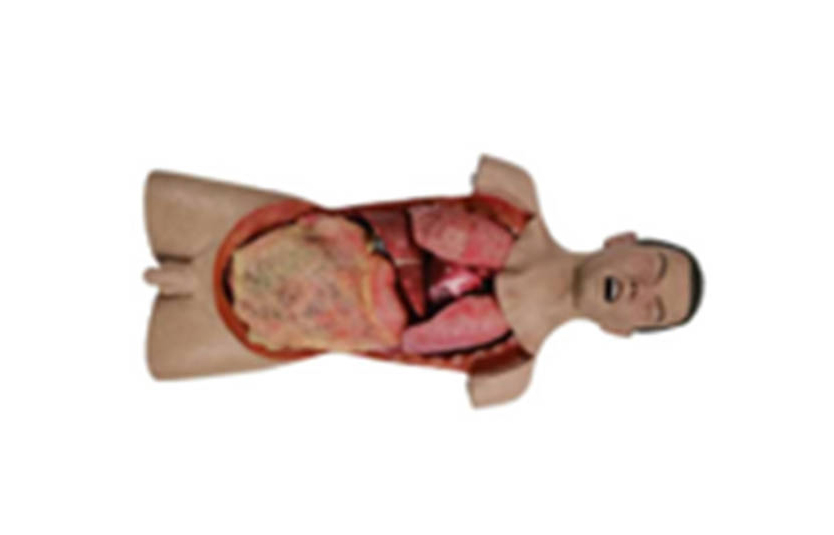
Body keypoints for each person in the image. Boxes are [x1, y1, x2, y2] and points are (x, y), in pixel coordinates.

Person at [144, 155, 703, 407]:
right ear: (623, 241)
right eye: (653, 269)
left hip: (250, 333)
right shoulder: (512, 191)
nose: (641, 291)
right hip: (246, 226)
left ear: (619, 331)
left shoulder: (506, 373)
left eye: (652, 310)